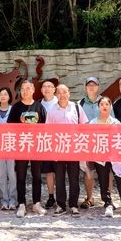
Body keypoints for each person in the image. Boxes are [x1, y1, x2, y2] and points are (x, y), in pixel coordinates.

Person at [88, 97, 121, 221]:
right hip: (100, 156)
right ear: (98, 107)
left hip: (115, 156)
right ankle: (108, 204)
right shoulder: (93, 122)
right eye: (102, 104)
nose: (104, 106)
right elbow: (90, 139)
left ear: (110, 107)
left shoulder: (116, 122)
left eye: (107, 104)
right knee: (103, 180)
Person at [46, 84, 88, 217]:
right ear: (56, 95)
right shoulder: (52, 110)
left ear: (69, 93)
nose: (62, 95)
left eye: (64, 92)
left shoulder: (76, 107)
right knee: (59, 179)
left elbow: (84, 127)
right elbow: (48, 130)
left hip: (74, 150)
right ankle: (61, 205)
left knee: (74, 178)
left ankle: (74, 205)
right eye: (59, 93)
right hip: (58, 149)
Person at [7, 80, 47, 217]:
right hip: (21, 145)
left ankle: (36, 203)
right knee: (21, 175)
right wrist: (21, 124)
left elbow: (45, 126)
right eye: (23, 89)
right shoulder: (16, 107)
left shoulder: (39, 106)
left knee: (37, 176)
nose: (25, 91)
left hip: (35, 145)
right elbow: (10, 126)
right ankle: (21, 203)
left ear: (33, 90)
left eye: (28, 88)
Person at [78, 77, 103, 210]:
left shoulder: (105, 102)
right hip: (86, 142)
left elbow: (112, 120)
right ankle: (89, 198)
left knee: (106, 172)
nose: (92, 87)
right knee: (88, 170)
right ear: (85, 87)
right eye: (89, 85)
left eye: (94, 85)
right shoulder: (80, 104)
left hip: (102, 141)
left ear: (98, 87)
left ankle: (107, 199)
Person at [0, 87, 17, 211]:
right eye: (1, 94)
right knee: (1, 173)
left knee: (12, 173)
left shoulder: (13, 110)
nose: (3, 96)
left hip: (11, 145)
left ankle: (13, 199)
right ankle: (4, 199)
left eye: (5, 94)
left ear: (9, 97)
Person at [40, 80, 58, 209]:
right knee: (49, 171)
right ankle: (51, 196)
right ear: (41, 90)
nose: (47, 89)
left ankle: (62, 196)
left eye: (49, 86)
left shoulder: (60, 103)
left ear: (54, 89)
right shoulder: (37, 104)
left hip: (60, 141)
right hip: (45, 142)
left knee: (60, 171)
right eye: (44, 87)